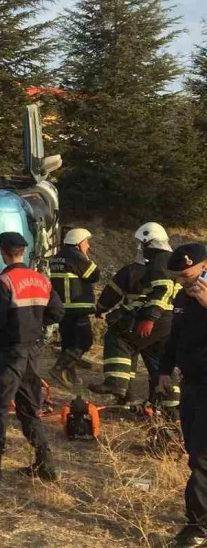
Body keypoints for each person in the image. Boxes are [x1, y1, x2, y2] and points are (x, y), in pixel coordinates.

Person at [0, 231, 64, 486]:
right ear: (23, 252)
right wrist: (36, 325)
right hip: (33, 353)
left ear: (2, 251)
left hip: (9, 354)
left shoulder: (3, 282)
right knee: (30, 409)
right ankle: (46, 464)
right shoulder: (42, 280)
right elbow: (57, 312)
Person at [90, 223, 181, 411]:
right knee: (160, 361)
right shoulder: (171, 261)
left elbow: (164, 289)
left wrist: (150, 317)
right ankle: (169, 406)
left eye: (143, 244)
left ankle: (116, 384)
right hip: (170, 320)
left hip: (155, 316)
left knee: (119, 339)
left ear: (150, 242)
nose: (141, 248)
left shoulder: (158, 261)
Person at [158, 243, 207, 547]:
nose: (183, 282)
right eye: (177, 277)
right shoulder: (182, 297)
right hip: (192, 384)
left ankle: (198, 528)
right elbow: (174, 336)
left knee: (203, 456)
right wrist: (164, 369)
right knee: (195, 453)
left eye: (187, 275)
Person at [48, 228, 101, 387]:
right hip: (77, 308)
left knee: (69, 343)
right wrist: (84, 256)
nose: (88, 246)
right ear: (78, 243)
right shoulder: (76, 257)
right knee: (84, 341)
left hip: (62, 308)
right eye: (86, 242)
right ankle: (58, 368)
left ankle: (70, 375)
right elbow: (95, 275)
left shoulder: (57, 257)